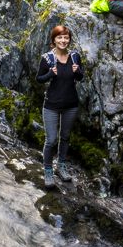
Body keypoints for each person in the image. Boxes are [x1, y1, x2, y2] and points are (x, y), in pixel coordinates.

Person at [35, 25, 84, 188]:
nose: (63, 40)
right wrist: (50, 73)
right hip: (51, 105)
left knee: (65, 137)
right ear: (54, 40)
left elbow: (80, 77)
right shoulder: (47, 58)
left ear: (69, 39)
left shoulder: (75, 57)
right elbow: (39, 79)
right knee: (51, 140)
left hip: (71, 104)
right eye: (60, 37)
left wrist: (78, 72)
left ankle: (61, 166)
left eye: (66, 37)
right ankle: (48, 171)